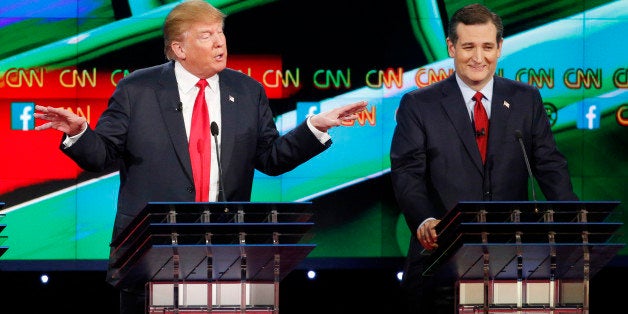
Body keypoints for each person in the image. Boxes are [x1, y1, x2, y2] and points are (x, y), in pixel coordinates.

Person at [34, 0, 366, 313]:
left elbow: (271, 158)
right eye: (206, 35)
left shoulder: (247, 91)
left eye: (220, 32)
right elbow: (102, 156)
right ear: (178, 48)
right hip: (151, 254)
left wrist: (314, 127)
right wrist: (78, 133)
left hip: (224, 256)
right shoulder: (138, 90)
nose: (219, 42)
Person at [390, 3, 578, 313]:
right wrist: (424, 219)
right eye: (468, 47)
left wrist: (573, 223)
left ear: (500, 48)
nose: (479, 57)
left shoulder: (525, 99)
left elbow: (549, 165)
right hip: (442, 262)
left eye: (487, 46)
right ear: (451, 47)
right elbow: (407, 173)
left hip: (512, 263)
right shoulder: (419, 105)